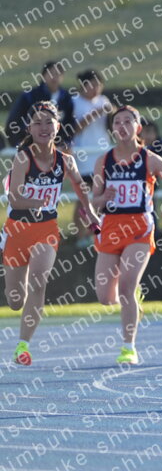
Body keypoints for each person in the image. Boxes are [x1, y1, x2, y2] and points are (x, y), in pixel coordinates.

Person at [4, 101, 101, 365]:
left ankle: (23, 346)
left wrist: (91, 213)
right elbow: (14, 199)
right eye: (37, 122)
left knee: (39, 281)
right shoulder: (23, 158)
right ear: (29, 128)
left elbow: (80, 187)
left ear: (58, 127)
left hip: (46, 229)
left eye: (49, 122)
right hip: (18, 229)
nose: (43, 127)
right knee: (15, 300)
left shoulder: (66, 161)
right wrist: (36, 202)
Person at [92, 105, 162, 365]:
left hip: (139, 228)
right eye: (117, 122)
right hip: (111, 228)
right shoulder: (104, 161)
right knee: (105, 298)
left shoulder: (148, 159)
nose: (122, 126)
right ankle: (134, 299)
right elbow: (94, 200)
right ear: (112, 129)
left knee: (126, 287)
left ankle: (128, 347)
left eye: (128, 121)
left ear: (138, 128)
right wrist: (103, 198)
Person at [71, 69, 112, 248]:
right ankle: (80, 236)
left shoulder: (104, 100)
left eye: (99, 85)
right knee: (83, 199)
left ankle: (96, 235)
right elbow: (74, 129)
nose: (96, 88)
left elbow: (112, 125)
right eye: (92, 85)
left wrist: (113, 112)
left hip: (102, 156)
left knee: (101, 198)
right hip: (83, 157)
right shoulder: (74, 102)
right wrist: (95, 113)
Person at [6, 61, 76, 148]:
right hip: (31, 148)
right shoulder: (29, 96)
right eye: (51, 73)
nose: (54, 77)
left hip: (56, 149)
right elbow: (13, 123)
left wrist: (65, 144)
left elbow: (70, 125)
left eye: (58, 74)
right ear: (43, 75)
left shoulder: (66, 98)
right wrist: (22, 145)